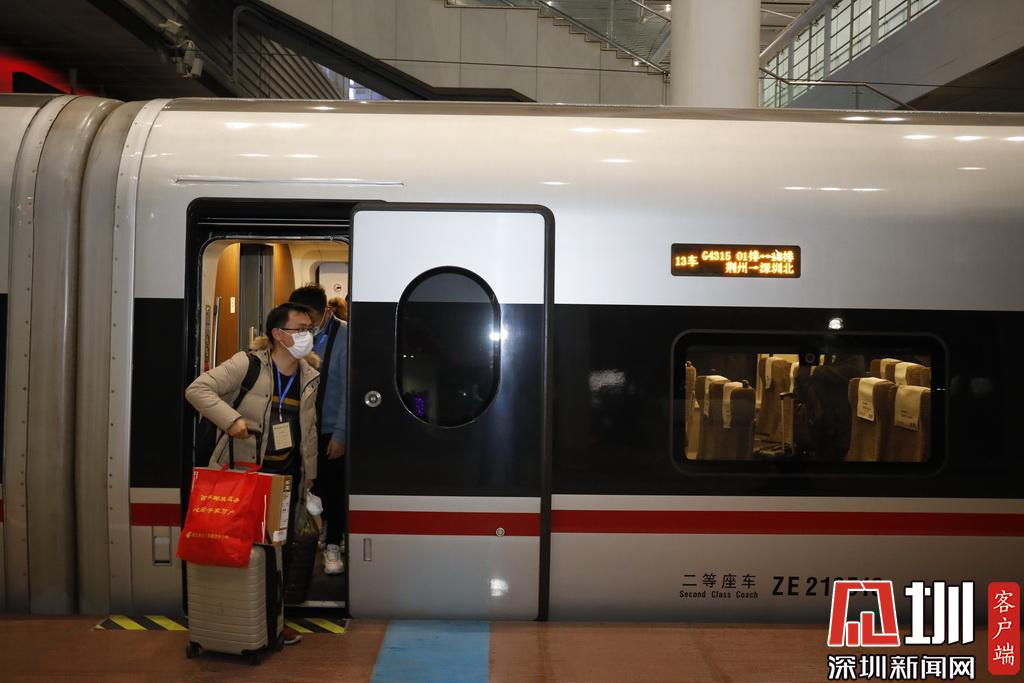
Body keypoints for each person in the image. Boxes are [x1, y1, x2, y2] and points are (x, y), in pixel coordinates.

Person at [185, 302, 320, 646]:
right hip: (244, 474)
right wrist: (231, 420)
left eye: (310, 329)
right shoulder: (247, 364)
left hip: (284, 477)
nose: (307, 335)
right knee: (240, 549)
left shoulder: (309, 375)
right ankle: (236, 621)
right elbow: (197, 390)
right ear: (278, 334)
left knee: (279, 551)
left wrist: (310, 473)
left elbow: (309, 428)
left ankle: (274, 622)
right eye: (300, 329)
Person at [289, 285, 348, 576]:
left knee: (333, 488)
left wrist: (341, 433)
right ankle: (320, 530)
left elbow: (349, 389)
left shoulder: (345, 336)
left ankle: (334, 543)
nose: (307, 323)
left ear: (325, 311)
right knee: (310, 486)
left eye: (310, 316)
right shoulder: (293, 334)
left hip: (329, 427)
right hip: (301, 427)